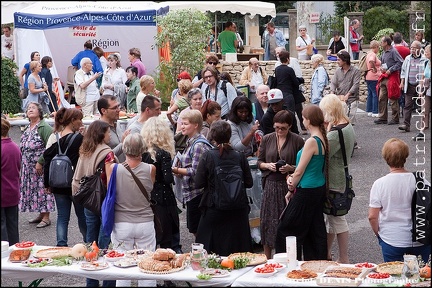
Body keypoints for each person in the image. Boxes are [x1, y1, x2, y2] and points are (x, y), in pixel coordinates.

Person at [275, 104, 329, 261]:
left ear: (309, 121)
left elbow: (299, 170)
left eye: (303, 118)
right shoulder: (322, 139)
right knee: (314, 229)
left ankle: (288, 263)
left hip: (307, 190)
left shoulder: (312, 141)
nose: (302, 121)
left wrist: (291, 184)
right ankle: (316, 262)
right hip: (317, 188)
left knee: (286, 229)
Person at [194, 120, 254, 255]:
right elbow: (249, 183)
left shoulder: (208, 156)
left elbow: (198, 183)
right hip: (238, 210)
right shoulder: (239, 156)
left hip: (214, 209)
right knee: (239, 252)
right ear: (229, 135)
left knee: (209, 251)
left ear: (213, 136)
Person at [368, 138, 431, 262]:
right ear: (406, 156)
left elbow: (372, 216)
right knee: (423, 277)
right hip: (421, 239)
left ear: (385, 157)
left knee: (394, 277)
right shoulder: (421, 181)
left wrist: (379, 235)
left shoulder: (380, 184)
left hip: (392, 239)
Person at [106, 133, 156, 287]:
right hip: (145, 222)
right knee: (147, 267)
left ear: (125, 149)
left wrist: (121, 144)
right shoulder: (150, 169)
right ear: (143, 149)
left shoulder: (113, 168)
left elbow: (109, 188)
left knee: (122, 269)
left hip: (121, 223)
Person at [71, 120, 116, 288]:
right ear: (101, 134)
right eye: (108, 132)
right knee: (106, 244)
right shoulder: (107, 152)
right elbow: (112, 179)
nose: (110, 134)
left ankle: (91, 282)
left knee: (91, 243)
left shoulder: (85, 150)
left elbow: (77, 177)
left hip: (89, 200)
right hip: (104, 201)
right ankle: (108, 282)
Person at [257, 110, 304, 259]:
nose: (279, 131)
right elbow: (259, 162)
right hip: (270, 184)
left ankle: (289, 256)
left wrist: (291, 168)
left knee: (288, 222)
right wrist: (267, 166)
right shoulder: (267, 138)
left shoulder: (297, 140)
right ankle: (267, 259)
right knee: (267, 221)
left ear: (290, 126)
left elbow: (303, 166)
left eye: (283, 128)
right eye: (276, 127)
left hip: (288, 185)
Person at [319, 94, 356, 263]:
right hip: (343, 175)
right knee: (332, 217)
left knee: (337, 219)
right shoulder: (347, 125)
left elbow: (323, 153)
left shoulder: (334, 133)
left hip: (334, 180)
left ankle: (344, 258)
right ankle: (327, 253)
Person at [42, 108, 87, 247]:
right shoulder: (79, 139)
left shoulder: (56, 137)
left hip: (58, 184)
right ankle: (88, 242)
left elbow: (47, 157)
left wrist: (47, 183)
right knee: (82, 216)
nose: (81, 122)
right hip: (75, 184)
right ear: (73, 121)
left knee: (62, 217)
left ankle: (61, 245)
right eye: (79, 119)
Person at [172, 109, 212, 237]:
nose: (182, 126)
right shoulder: (190, 141)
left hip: (197, 194)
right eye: (181, 123)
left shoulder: (199, 145)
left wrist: (175, 170)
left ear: (195, 125)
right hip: (191, 194)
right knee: (196, 229)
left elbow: (195, 171)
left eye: (185, 124)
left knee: (199, 230)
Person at [141, 117, 178, 252]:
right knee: (166, 236)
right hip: (163, 197)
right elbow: (168, 178)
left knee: (150, 237)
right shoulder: (163, 154)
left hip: (146, 196)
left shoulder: (142, 154)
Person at [19, 102, 54, 228]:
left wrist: (40, 161)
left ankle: (46, 217)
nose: (30, 110)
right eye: (28, 108)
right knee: (35, 191)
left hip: (40, 168)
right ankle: (40, 214)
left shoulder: (44, 127)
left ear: (40, 112)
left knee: (42, 190)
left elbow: (51, 146)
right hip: (28, 168)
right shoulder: (28, 127)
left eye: (33, 108)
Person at [374, 36, 404, 126]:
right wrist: (382, 69)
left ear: (386, 43)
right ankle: (383, 117)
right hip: (385, 76)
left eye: (382, 41)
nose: (380, 43)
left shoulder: (393, 51)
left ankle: (395, 118)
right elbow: (384, 63)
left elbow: (400, 62)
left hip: (392, 76)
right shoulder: (383, 52)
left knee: (393, 97)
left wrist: (390, 70)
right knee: (381, 97)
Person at [398, 41, 427, 133]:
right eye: (411, 48)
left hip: (420, 85)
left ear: (419, 49)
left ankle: (424, 125)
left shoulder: (424, 59)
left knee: (423, 106)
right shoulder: (407, 58)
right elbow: (403, 71)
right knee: (407, 105)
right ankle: (406, 125)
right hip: (409, 85)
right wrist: (402, 82)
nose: (412, 50)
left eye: (414, 48)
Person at [1, 118, 21, 245]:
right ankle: (15, 250)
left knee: (1, 226)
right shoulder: (15, 147)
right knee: (13, 225)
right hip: (13, 190)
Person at [330, 50, 361, 125]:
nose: (337, 61)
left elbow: (356, 84)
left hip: (352, 99)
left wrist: (348, 95)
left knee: (349, 122)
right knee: (340, 122)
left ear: (345, 61)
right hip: (340, 99)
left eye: (339, 60)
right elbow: (333, 82)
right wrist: (332, 93)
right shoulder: (338, 71)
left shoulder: (355, 71)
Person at [97, 95, 127, 163]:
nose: (118, 110)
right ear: (103, 111)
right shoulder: (98, 130)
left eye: (118, 106)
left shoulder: (117, 123)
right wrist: (122, 144)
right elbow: (103, 158)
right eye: (114, 108)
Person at [274, 50, 300, 115]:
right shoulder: (290, 69)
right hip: (288, 94)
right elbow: (296, 83)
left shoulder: (277, 69)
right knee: (290, 113)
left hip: (280, 94)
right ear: (288, 59)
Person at [414, 44, 431, 141]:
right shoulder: (426, 63)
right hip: (427, 89)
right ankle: (421, 132)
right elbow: (423, 77)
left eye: (427, 51)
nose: (425, 53)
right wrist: (420, 89)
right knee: (424, 110)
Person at [365, 40, 382, 118]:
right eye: (378, 47)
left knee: (370, 94)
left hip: (368, 76)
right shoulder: (373, 54)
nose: (378, 49)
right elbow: (371, 61)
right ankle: (375, 111)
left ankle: (369, 110)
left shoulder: (368, 53)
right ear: (375, 47)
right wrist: (374, 68)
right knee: (375, 94)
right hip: (374, 77)